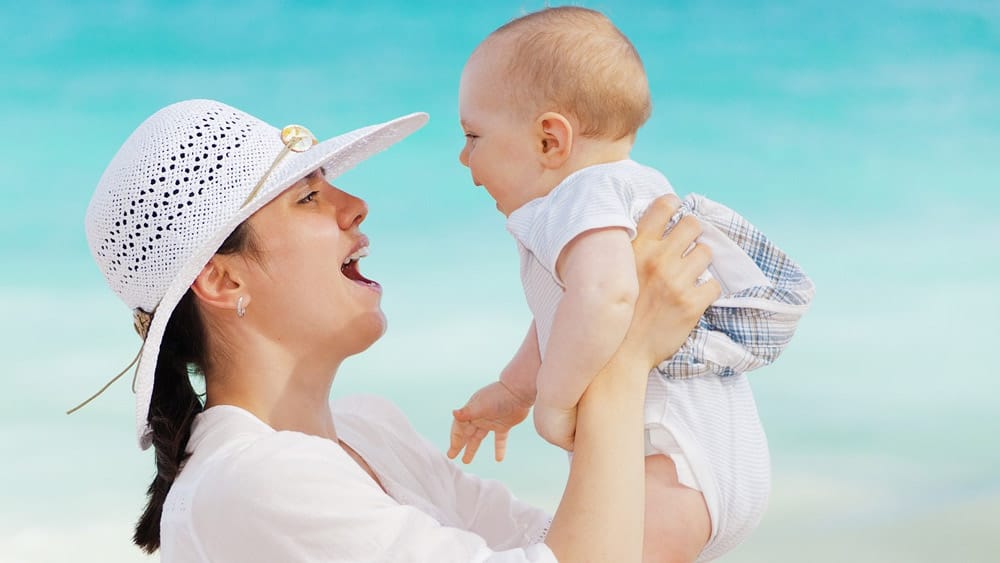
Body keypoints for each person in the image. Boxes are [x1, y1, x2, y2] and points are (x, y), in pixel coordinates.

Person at [77, 98, 719, 561]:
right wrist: (624, 353)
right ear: (223, 281)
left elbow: (591, 544)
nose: (354, 205)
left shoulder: (369, 430)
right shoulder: (250, 482)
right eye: (307, 198)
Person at [447, 6, 814, 562]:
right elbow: (567, 311)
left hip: (664, 458)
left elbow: (605, 297)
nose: (464, 158)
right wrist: (515, 389)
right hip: (708, 457)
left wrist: (554, 402)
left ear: (551, 140)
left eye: (474, 136)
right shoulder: (630, 189)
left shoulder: (580, 196)